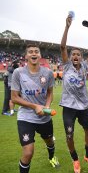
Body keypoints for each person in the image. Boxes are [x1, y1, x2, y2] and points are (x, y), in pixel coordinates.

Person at [11, 44, 60, 173]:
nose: (34, 53)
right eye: (31, 52)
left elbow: (50, 93)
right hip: (25, 117)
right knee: (28, 153)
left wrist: (47, 107)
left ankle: (51, 157)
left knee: (49, 141)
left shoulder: (48, 72)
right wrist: (34, 106)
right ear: (26, 56)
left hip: (44, 117)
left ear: (40, 55)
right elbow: (14, 98)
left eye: (36, 52)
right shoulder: (18, 72)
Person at [60, 14, 88, 173]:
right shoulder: (67, 66)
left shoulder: (84, 67)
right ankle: (75, 159)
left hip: (83, 106)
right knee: (69, 135)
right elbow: (62, 47)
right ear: (70, 57)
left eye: (78, 54)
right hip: (68, 107)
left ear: (81, 58)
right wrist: (67, 27)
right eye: (73, 54)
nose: (75, 56)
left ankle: (87, 156)